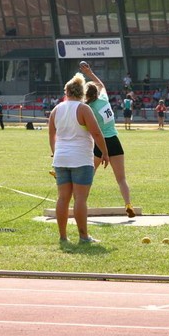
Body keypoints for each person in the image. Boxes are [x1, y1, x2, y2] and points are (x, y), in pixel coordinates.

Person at [49, 73, 110, 244]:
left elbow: (51, 135)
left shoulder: (56, 109)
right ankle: (83, 236)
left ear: (67, 92)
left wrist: (56, 152)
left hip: (61, 158)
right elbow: (96, 133)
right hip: (81, 158)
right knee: (80, 198)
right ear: (82, 92)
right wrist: (105, 152)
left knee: (63, 198)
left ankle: (63, 236)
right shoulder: (83, 109)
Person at [81, 62, 136, 218]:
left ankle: (81, 204)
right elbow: (101, 85)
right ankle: (128, 204)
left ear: (86, 95)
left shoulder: (88, 109)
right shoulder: (104, 99)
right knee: (121, 178)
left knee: (88, 177)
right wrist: (90, 73)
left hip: (100, 143)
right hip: (114, 140)